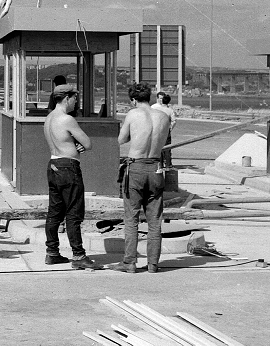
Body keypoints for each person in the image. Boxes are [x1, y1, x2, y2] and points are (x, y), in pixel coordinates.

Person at [110, 82, 171, 274]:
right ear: (150, 97)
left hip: (136, 167)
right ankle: (153, 263)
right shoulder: (163, 116)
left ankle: (130, 262)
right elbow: (162, 139)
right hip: (156, 167)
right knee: (155, 221)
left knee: (132, 218)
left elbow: (121, 139)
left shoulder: (133, 114)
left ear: (134, 100)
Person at [43, 84, 98, 270]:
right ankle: (79, 255)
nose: (76, 101)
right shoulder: (67, 119)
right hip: (68, 167)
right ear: (67, 98)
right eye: (75, 98)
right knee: (73, 212)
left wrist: (73, 143)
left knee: (54, 211)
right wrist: (77, 144)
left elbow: (61, 141)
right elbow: (88, 144)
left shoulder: (49, 118)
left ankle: (52, 252)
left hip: (53, 165)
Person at [152, 91, 177, 167]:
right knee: (167, 148)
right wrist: (170, 128)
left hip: (157, 130)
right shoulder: (170, 110)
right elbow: (174, 121)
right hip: (166, 131)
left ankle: (160, 164)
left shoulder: (155, 109)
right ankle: (168, 165)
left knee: (158, 148)